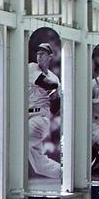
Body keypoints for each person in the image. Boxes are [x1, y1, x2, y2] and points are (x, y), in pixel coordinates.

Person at [27, 42, 62, 179]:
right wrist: (54, 90)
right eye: (38, 53)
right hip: (27, 116)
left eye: (43, 54)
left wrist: (56, 98)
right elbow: (45, 83)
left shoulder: (55, 77)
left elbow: (56, 108)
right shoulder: (32, 67)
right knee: (40, 166)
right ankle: (65, 174)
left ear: (50, 56)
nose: (39, 56)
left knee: (18, 143)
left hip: (39, 118)